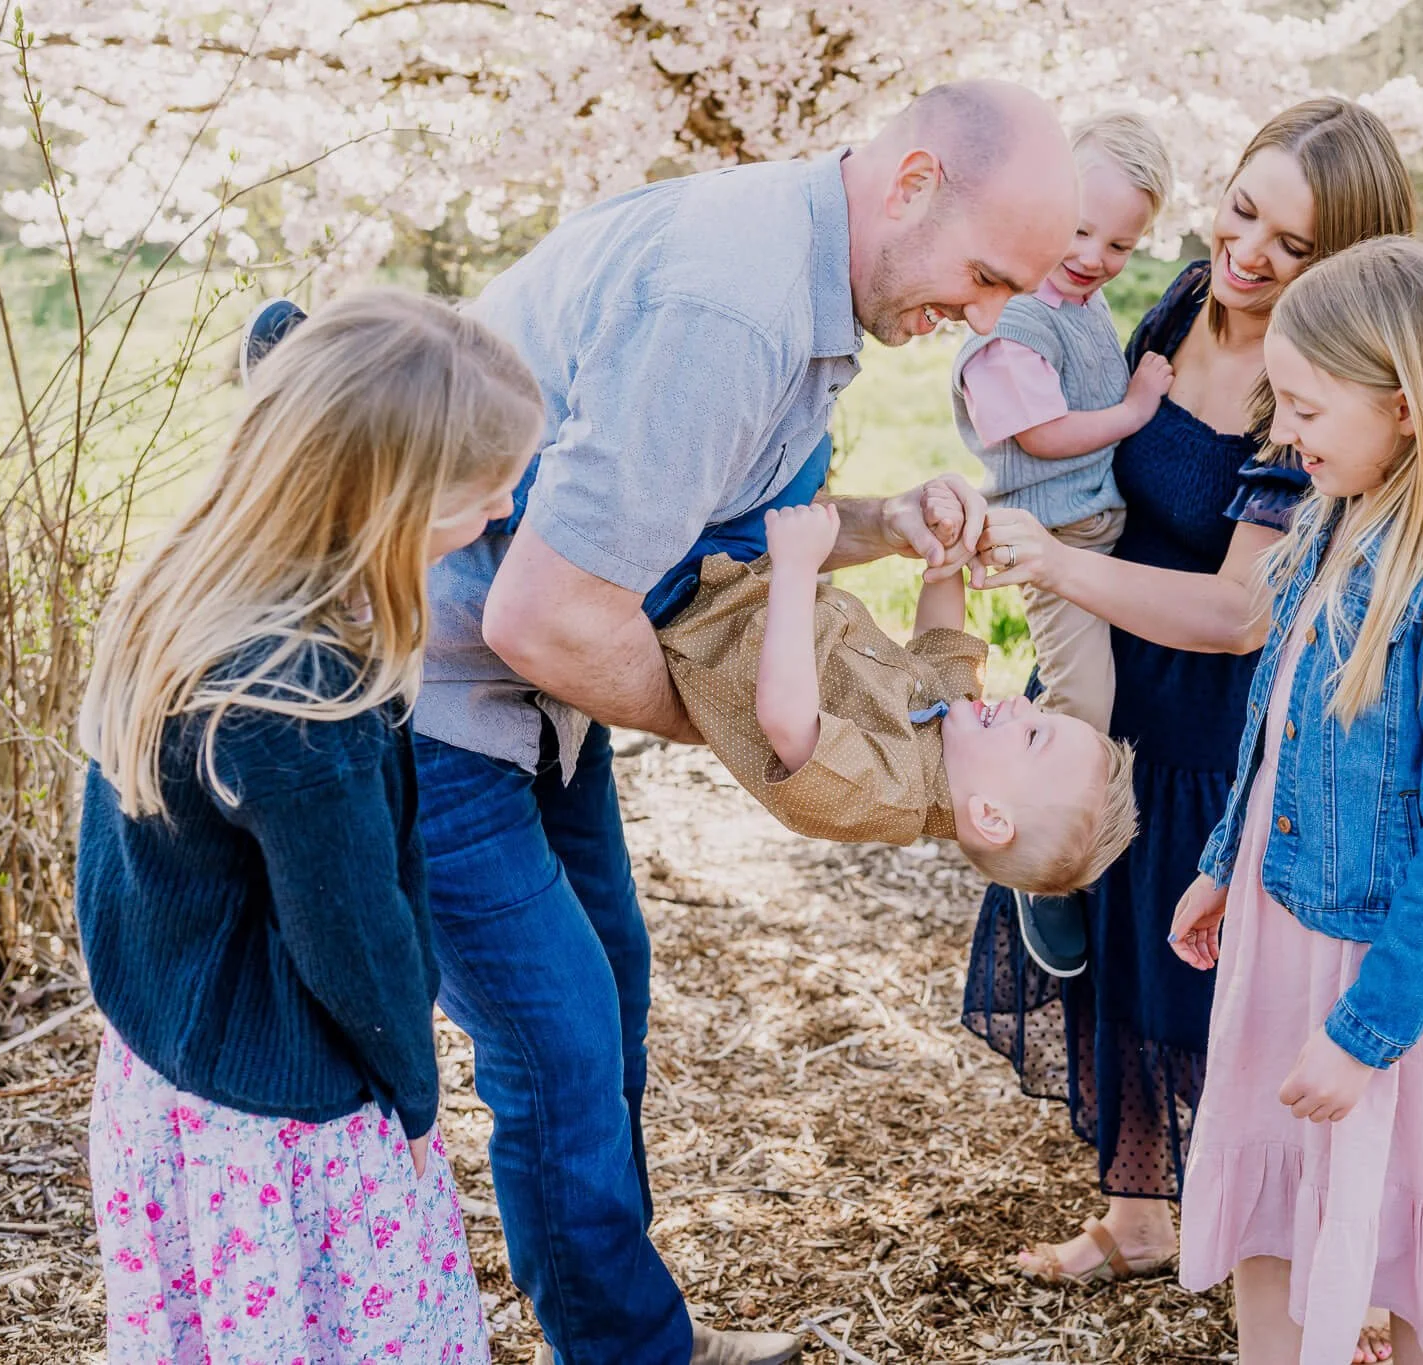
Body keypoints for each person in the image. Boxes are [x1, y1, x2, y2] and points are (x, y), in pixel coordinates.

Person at [405, 80, 1080, 1365]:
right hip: (436, 695)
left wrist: (882, 529)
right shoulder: (730, 308)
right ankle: (630, 1354)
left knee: (609, 997)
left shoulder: (805, 274)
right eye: (986, 277)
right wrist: (767, 736)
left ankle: (624, 1332)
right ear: (913, 181)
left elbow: (713, 534)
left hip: (535, 696)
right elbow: (544, 622)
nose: (980, 323)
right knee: (556, 1048)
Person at [962, 98, 1416, 1362]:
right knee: (1110, 958)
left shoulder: (1307, 390)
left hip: (1221, 726)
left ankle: (1338, 1270)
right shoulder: (1170, 303)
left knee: (1227, 1005)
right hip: (1117, 682)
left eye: (1296, 243)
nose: (1253, 252)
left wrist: (1049, 568)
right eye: (1244, 209)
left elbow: (1233, 613)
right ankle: (1137, 1217)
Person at [77, 291, 541, 1365]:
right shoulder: (301, 702)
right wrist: (414, 1098)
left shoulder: (187, 590)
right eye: (483, 493)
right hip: (281, 1117)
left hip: (169, 1072)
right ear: (386, 503)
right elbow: (354, 934)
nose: (506, 509)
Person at [1168, 235, 1423, 1363]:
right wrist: (1220, 858)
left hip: (1393, 971)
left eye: (1304, 408)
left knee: (1381, 1205)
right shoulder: (1335, 521)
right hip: (1287, 918)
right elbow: (1276, 717)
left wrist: (1366, 1034)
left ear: (1404, 406)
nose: (1283, 436)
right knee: (1275, 1200)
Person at [948, 111, 1174, 978]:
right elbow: (1037, 433)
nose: (1093, 256)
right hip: (1054, 536)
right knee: (1085, 700)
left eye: (1120, 243)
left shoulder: (1076, 299)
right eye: (1079, 228)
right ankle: (1040, 868)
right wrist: (1135, 411)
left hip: (1096, 526)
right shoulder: (1013, 325)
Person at [656, 501, 1137, 889]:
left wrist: (798, 568)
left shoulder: (883, 792)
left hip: (690, 607)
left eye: (1033, 736)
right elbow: (941, 637)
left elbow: (787, 719)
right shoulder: (962, 730)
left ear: (990, 815)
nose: (1023, 704)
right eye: (1041, 711)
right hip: (744, 570)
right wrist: (948, 549)